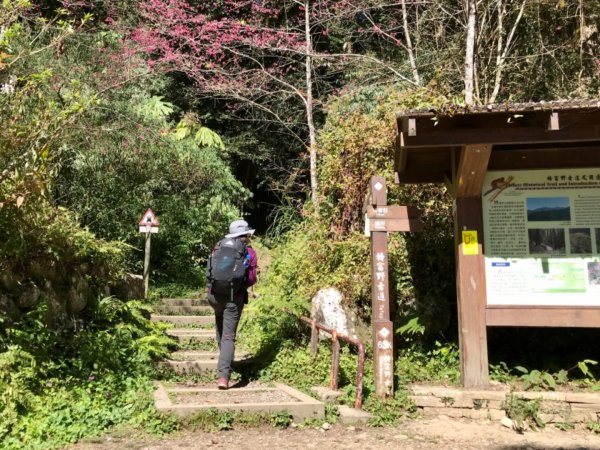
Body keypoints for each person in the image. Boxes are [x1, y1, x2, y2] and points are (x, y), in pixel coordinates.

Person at [206, 219, 258, 390]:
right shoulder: (248, 252)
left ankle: (225, 360)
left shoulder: (219, 246)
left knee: (220, 326)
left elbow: (210, 270)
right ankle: (224, 376)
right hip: (233, 298)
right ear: (246, 235)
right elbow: (250, 278)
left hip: (214, 295)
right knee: (229, 335)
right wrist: (241, 287)